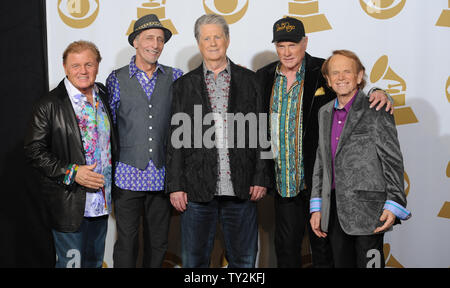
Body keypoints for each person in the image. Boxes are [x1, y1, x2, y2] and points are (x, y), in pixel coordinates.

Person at [256, 17, 393, 268]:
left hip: (322, 183)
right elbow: (255, 127)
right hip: (285, 183)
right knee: (286, 251)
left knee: (326, 252)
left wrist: (380, 91)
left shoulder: (324, 70)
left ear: (305, 42)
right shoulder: (263, 76)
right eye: (281, 45)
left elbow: (353, 94)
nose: (287, 52)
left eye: (293, 44)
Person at [165, 14, 271, 268]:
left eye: (217, 36)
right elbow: (175, 142)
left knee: (244, 260)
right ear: (198, 43)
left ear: (228, 39)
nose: (212, 43)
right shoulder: (183, 85)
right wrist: (176, 185)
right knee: (194, 261)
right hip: (197, 190)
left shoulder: (250, 81)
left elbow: (263, 132)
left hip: (242, 188)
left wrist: (260, 177)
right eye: (206, 38)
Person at [309, 50, 411, 268]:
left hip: (369, 212)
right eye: (335, 73)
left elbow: (393, 160)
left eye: (347, 71)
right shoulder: (324, 112)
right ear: (327, 80)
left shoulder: (376, 108)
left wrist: (394, 203)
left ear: (359, 76)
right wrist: (317, 206)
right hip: (333, 211)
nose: (341, 77)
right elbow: (321, 161)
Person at [24, 40, 116, 268]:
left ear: (97, 65)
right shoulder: (49, 104)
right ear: (65, 67)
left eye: (89, 64)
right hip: (69, 202)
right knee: (71, 265)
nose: (83, 71)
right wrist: (72, 172)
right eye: (75, 65)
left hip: (101, 202)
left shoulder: (103, 95)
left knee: (94, 262)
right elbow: (33, 151)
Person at [105, 14, 183, 268]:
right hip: (127, 175)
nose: (156, 44)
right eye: (149, 38)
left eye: (160, 39)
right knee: (127, 241)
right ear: (136, 42)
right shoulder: (116, 79)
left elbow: (181, 126)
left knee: (159, 242)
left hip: (162, 176)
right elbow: (112, 127)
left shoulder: (175, 76)